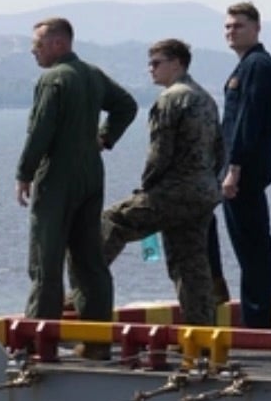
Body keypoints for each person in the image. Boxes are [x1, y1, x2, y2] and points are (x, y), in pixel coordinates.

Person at [16, 17, 137, 321]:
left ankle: (39, 342)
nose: (34, 51)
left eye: (38, 45)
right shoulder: (92, 75)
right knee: (89, 261)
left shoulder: (53, 79)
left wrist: (24, 173)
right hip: (91, 175)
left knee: (46, 262)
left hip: (57, 176)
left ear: (58, 43)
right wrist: (105, 138)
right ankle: (97, 341)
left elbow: (40, 132)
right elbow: (127, 105)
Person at [100, 39, 222, 325]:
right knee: (190, 263)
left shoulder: (170, 99)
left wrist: (147, 188)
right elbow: (220, 149)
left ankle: (85, 290)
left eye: (156, 63)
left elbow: (160, 153)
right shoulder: (206, 98)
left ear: (177, 63)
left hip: (174, 190)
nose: (150, 69)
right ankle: (202, 334)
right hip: (203, 191)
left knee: (111, 221)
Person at [218, 1, 271, 327]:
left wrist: (235, 168)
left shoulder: (257, 66)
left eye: (239, 26)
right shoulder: (249, 65)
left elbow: (249, 122)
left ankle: (257, 320)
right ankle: (255, 317)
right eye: (228, 26)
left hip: (242, 174)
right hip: (242, 170)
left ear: (257, 28)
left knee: (254, 248)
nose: (231, 32)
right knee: (250, 247)